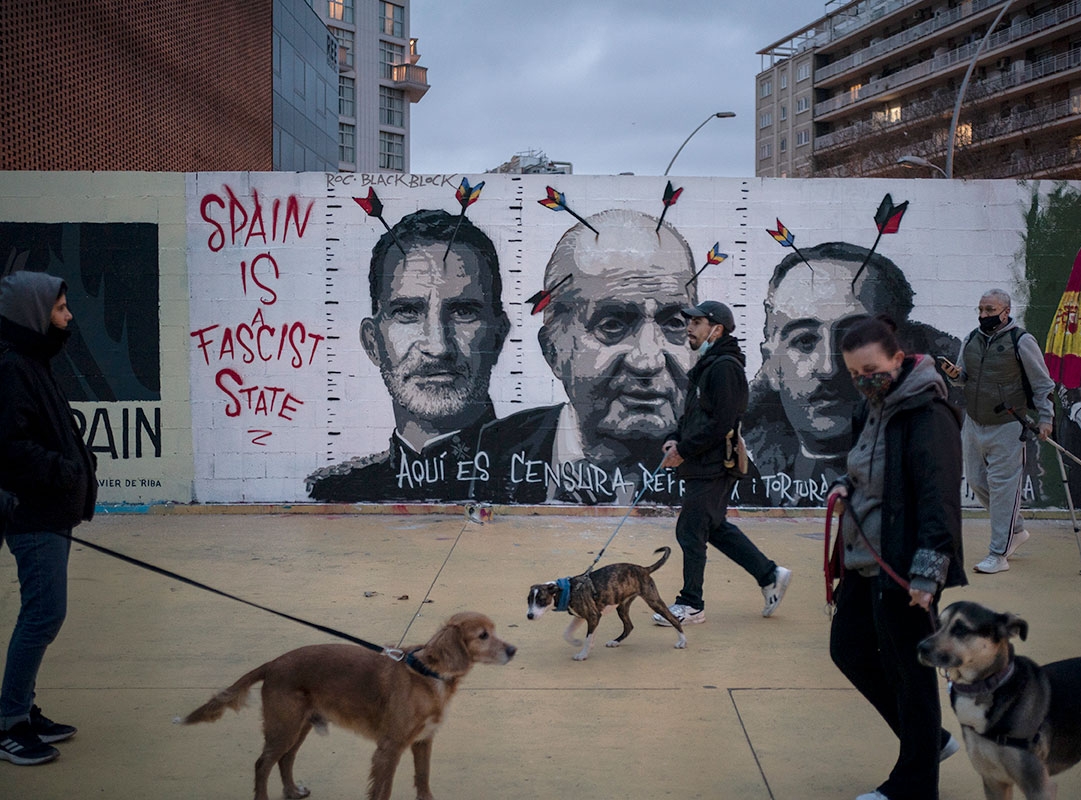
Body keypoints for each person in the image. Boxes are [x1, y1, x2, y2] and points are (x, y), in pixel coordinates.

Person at [825, 315, 966, 800]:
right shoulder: (871, 409)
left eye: (872, 370)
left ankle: (915, 785)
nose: (864, 381)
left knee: (913, 676)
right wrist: (845, 485)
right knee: (848, 648)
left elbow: (941, 499)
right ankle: (930, 742)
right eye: (854, 374)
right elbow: (865, 468)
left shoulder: (928, 415)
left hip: (907, 567)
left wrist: (928, 574)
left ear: (899, 360)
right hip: (865, 560)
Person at [476, 209, 696, 505]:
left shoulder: (727, 463)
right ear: (553, 351)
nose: (649, 360)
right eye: (613, 325)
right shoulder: (494, 450)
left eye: (675, 324)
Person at [306, 209, 510, 502]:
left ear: (498, 335)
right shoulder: (334, 493)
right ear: (373, 341)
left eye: (464, 312)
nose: (438, 346)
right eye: (407, 313)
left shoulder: (542, 483)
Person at [744, 243, 960, 506]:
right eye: (804, 341)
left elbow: (937, 504)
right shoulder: (746, 470)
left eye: (853, 339)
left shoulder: (931, 421)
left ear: (898, 348)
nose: (828, 368)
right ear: (771, 365)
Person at [0, 271, 97, 765]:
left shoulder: (33, 363)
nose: (69, 317)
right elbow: (9, 449)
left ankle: (22, 708)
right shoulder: (14, 369)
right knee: (42, 615)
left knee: (42, 614)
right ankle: (9, 722)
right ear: (36, 316)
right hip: (34, 514)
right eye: (61, 309)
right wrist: (63, 471)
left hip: (50, 511)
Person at [652, 300, 790, 627]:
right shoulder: (709, 366)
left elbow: (723, 422)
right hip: (704, 461)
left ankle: (691, 604)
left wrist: (685, 450)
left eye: (697, 322)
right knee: (711, 527)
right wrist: (676, 436)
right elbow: (698, 417)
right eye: (689, 322)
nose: (689, 327)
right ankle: (770, 574)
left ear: (717, 329)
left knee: (690, 529)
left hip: (713, 464)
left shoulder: (724, 367)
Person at [942, 289, 1055, 574]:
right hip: (974, 423)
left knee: (1003, 490)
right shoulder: (970, 339)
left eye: (990, 310)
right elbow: (963, 381)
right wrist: (956, 376)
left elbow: (1043, 384)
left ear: (1005, 312)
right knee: (979, 483)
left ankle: (998, 555)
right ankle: (1015, 529)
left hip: (1008, 425)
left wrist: (1046, 418)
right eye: (980, 309)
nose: (983, 315)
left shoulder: (1022, 341)